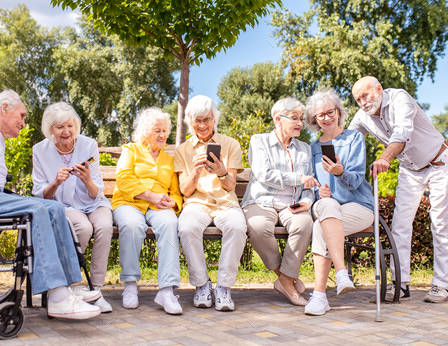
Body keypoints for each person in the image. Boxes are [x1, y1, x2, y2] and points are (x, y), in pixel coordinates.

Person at [0, 90, 102, 320]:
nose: (24, 124)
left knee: (53, 207)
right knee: (37, 210)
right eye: (22, 116)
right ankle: (57, 298)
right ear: (5, 108)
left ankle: (68, 287)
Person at [349, 76, 448, 303]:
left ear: (378, 89)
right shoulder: (362, 117)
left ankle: (441, 284)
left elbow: (402, 133)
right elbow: (348, 141)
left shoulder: (400, 99)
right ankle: (401, 284)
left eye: (365, 96)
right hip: (410, 169)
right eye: (357, 100)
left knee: (440, 221)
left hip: (438, 162)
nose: (362, 102)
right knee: (399, 224)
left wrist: (384, 158)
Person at [32, 102, 113, 313]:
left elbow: (96, 193)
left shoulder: (88, 145)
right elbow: (43, 195)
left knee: (104, 226)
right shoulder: (39, 150)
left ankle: (96, 289)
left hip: (94, 202)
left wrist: (87, 179)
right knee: (83, 228)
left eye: (70, 126)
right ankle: (67, 287)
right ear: (50, 129)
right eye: (60, 127)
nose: (66, 132)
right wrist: (55, 183)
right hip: (65, 205)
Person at [242, 97, 318, 306]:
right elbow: (264, 174)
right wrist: (298, 179)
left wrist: (307, 201)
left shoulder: (304, 148)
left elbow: (310, 180)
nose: (299, 123)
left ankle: (284, 280)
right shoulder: (259, 141)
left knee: (304, 224)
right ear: (278, 119)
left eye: (301, 119)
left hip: (291, 203)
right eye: (294, 118)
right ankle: (287, 279)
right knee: (258, 226)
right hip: (261, 201)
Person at [303, 90, 374, 315]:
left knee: (319, 226)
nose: (326, 117)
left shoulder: (354, 138)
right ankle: (342, 274)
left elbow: (355, 182)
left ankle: (320, 296)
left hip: (358, 206)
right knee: (325, 206)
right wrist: (319, 192)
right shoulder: (313, 148)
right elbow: (313, 184)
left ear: (338, 112)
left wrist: (340, 172)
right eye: (320, 114)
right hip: (328, 208)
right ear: (314, 119)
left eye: (330, 112)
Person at [175, 95, 246, 311]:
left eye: (207, 119)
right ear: (190, 122)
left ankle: (223, 287)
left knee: (237, 226)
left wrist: (222, 171)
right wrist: (196, 172)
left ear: (214, 119)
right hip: (197, 204)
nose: (203, 125)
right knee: (186, 228)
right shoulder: (183, 150)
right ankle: (202, 285)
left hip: (225, 202)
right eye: (198, 120)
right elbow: (185, 190)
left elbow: (230, 186)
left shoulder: (230, 144)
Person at [111, 107, 183, 315]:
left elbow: (176, 193)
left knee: (170, 223)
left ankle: (167, 291)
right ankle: (131, 285)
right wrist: (150, 195)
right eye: (156, 131)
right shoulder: (131, 150)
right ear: (145, 132)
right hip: (129, 201)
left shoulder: (169, 160)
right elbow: (123, 179)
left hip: (158, 207)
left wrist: (173, 203)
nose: (162, 135)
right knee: (132, 225)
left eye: (164, 131)